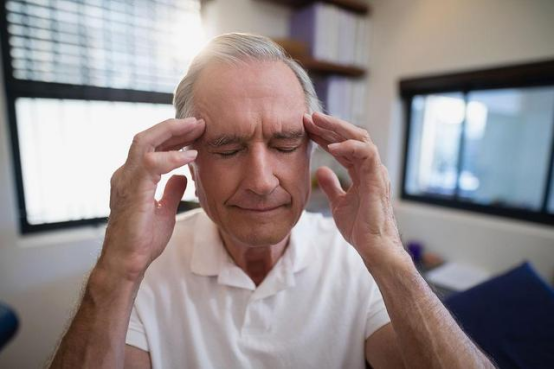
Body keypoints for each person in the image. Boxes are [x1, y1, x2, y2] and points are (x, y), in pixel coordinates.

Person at [49, 33, 495, 369]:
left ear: (311, 151)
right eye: (227, 149)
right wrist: (116, 272)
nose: (262, 181)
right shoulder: (143, 267)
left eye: (284, 145)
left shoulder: (354, 258)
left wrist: (389, 255)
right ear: (189, 164)